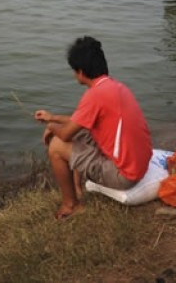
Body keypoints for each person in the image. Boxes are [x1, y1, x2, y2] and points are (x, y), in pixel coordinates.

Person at [34, 36, 153, 219]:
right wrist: (53, 118)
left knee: (56, 146)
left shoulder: (94, 95)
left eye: (74, 71)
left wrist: (51, 126)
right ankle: (77, 189)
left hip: (124, 175)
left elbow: (65, 134)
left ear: (81, 72)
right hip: (138, 164)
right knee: (79, 132)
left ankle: (70, 204)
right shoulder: (115, 87)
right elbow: (78, 122)